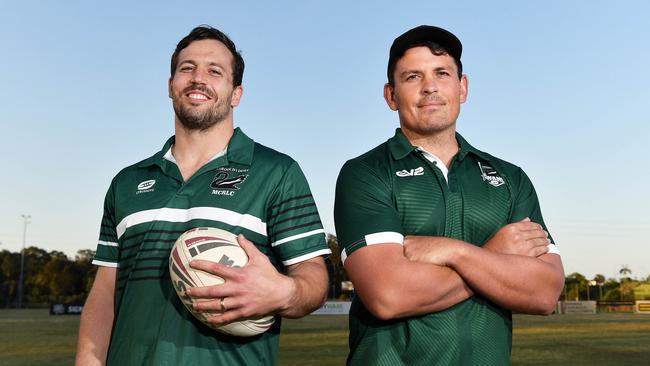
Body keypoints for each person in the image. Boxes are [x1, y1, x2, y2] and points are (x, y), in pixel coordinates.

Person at [75, 25, 330, 365]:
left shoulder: (277, 172)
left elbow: (313, 276)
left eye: (215, 71)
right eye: (187, 68)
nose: (198, 79)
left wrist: (284, 292)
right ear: (170, 86)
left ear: (236, 92)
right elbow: (105, 291)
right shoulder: (127, 182)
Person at [334, 25, 564, 365]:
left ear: (463, 87)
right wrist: (494, 256)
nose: (430, 87)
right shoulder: (366, 173)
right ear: (391, 95)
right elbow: (389, 295)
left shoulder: (510, 178)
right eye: (412, 76)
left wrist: (453, 251)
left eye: (442, 73)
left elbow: (544, 292)